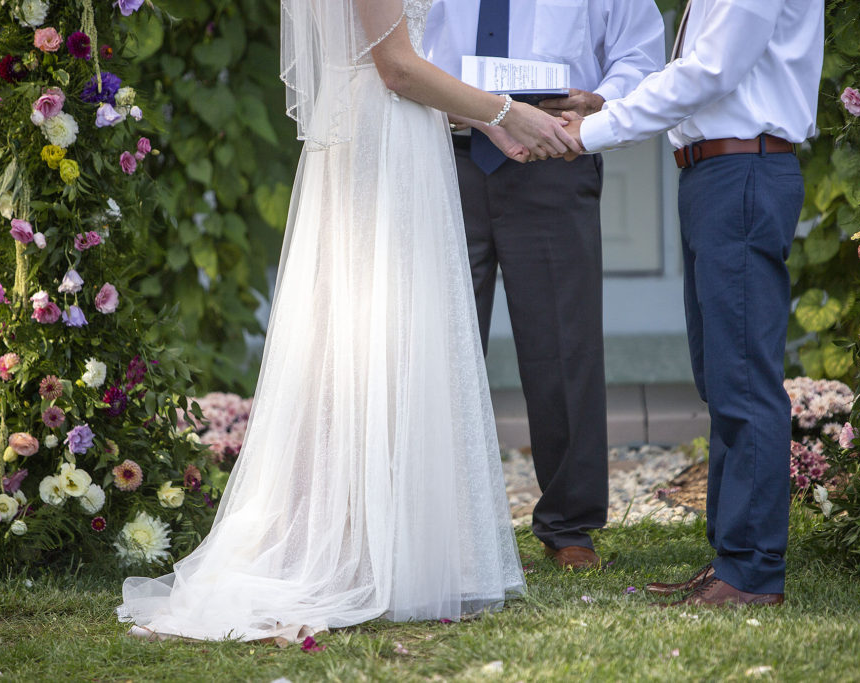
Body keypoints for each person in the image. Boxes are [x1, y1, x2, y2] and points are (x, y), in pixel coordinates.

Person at [117, 0, 581, 644]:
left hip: (395, 129)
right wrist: (507, 112)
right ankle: (358, 545)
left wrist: (487, 125)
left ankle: (384, 538)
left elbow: (384, 67)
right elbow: (395, 68)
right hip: (382, 142)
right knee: (378, 324)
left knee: (383, 329)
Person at [560, 0, 823, 605]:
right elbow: (707, 73)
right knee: (721, 376)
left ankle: (752, 572)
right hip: (718, 175)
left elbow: (710, 70)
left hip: (743, 174)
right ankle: (732, 560)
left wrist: (593, 131)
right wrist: (607, 105)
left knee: (743, 379)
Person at [423, 0, 665, 571]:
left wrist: (601, 102)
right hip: (437, 154)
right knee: (434, 344)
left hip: (555, 156)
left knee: (565, 344)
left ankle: (569, 524)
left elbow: (639, 49)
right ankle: (438, 519)